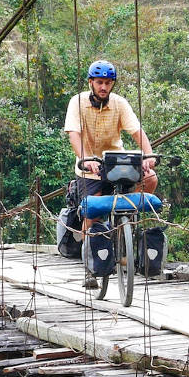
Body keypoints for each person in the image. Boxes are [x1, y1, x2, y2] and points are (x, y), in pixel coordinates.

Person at [64, 60, 157, 287]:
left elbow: (136, 131)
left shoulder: (119, 103)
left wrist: (149, 155)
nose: (103, 87)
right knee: (92, 212)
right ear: (91, 83)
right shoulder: (77, 102)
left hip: (117, 163)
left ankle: (127, 227)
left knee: (151, 179)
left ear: (112, 84)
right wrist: (85, 159)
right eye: (99, 82)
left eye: (107, 83)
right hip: (90, 166)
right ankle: (90, 267)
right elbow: (74, 134)